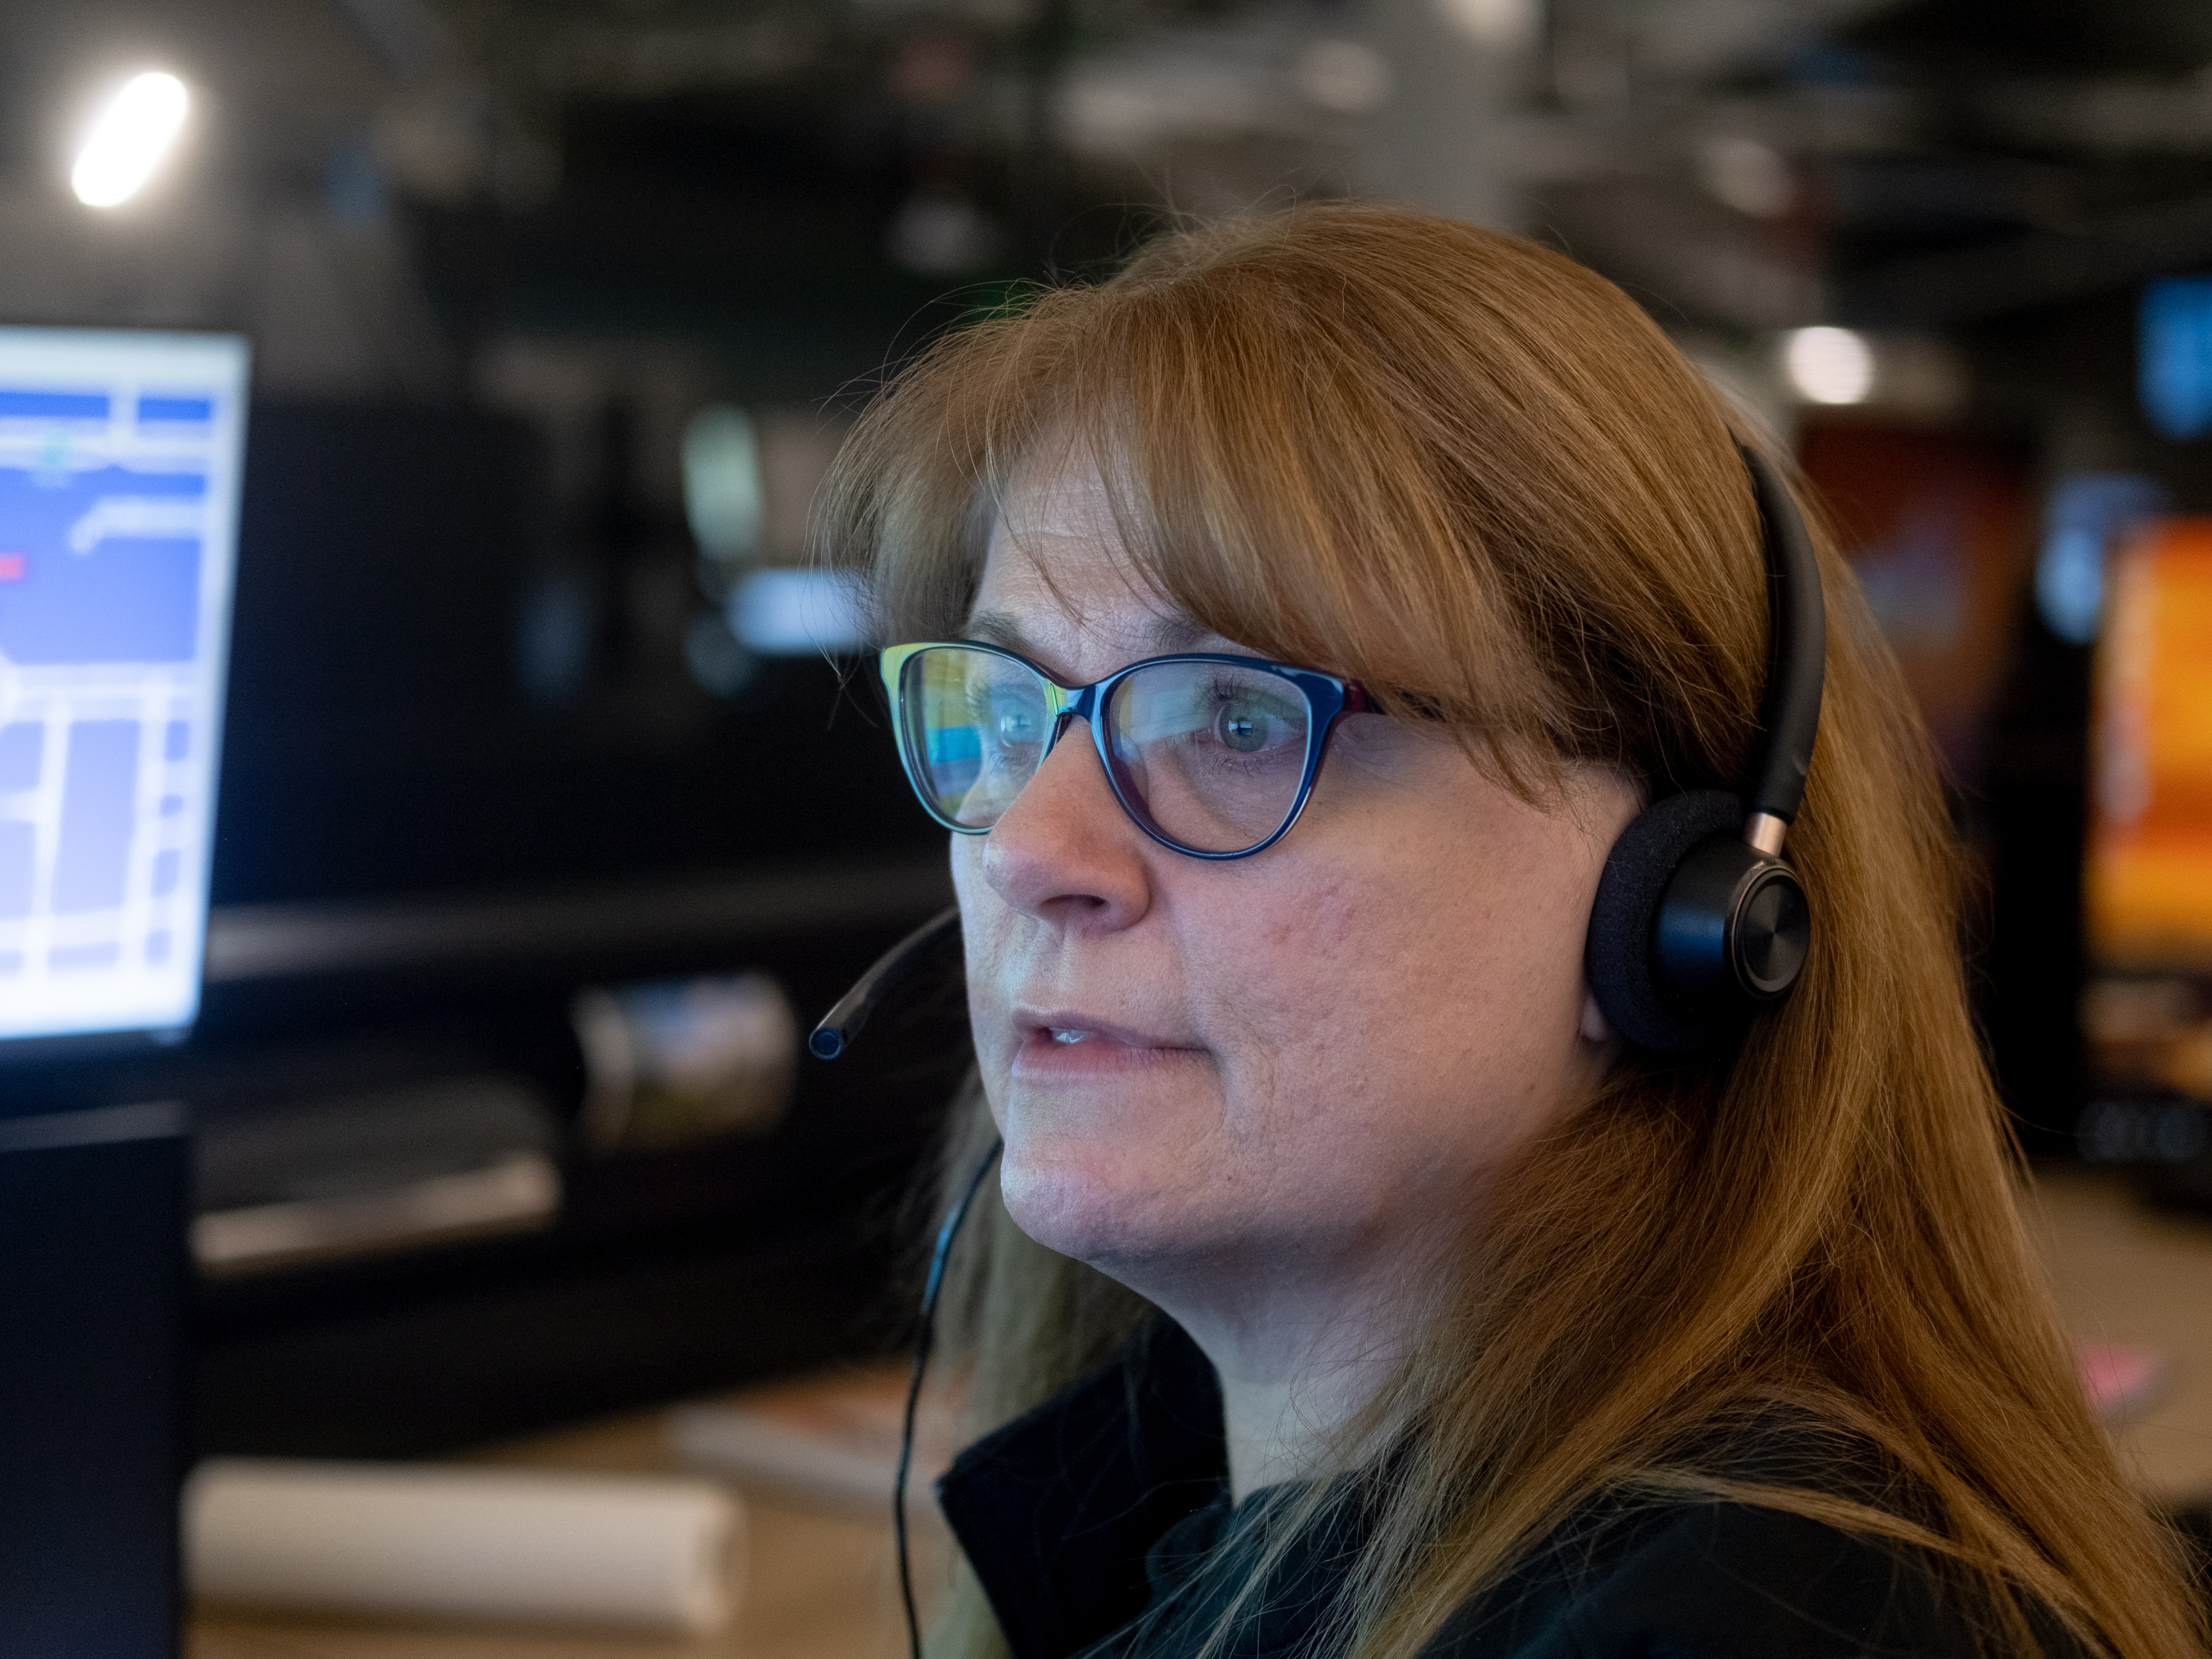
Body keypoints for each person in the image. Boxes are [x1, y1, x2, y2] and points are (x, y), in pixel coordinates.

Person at [818, 204, 2202, 1659]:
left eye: (1235, 715)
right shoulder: (1155, 1505)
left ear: (1684, 897)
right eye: (1009, 704)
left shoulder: (1756, 1623)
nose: (1031, 846)